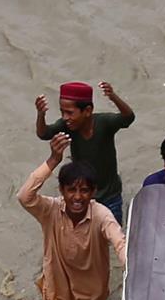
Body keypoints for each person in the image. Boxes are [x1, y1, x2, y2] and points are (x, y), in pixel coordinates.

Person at [18, 135, 127, 300]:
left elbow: (120, 243)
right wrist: (52, 161)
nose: (77, 197)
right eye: (71, 190)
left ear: (93, 192)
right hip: (58, 295)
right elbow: (24, 196)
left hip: (93, 295)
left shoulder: (102, 215)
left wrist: (132, 272)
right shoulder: (50, 210)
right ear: (62, 190)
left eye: (84, 190)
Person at [34, 80, 135, 223]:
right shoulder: (66, 126)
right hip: (82, 197)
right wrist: (40, 115)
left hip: (110, 197)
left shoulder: (104, 123)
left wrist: (113, 97)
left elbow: (128, 118)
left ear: (87, 111)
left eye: (69, 113)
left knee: (114, 236)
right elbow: (43, 134)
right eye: (62, 112)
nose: (65, 118)